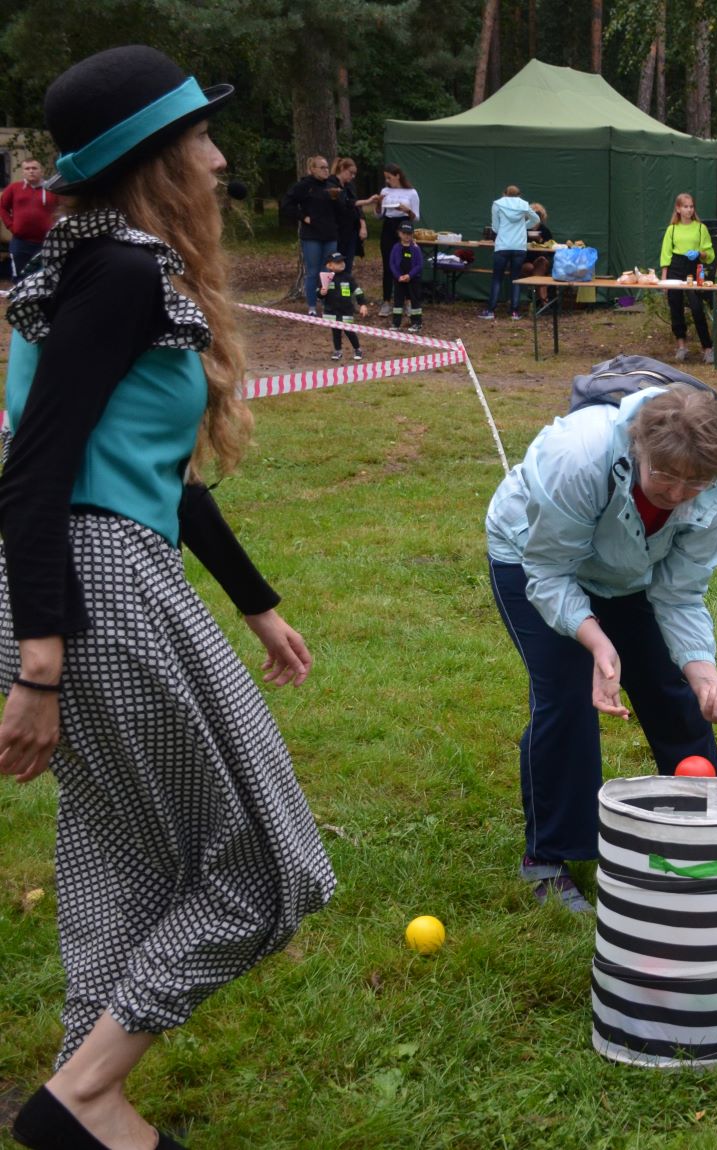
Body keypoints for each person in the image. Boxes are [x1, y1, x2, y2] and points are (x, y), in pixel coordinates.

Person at [0, 45, 333, 1150]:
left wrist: (255, 600)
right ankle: (85, 1096)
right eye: (201, 137)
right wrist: (39, 668)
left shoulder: (81, 260)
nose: (220, 155)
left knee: (118, 853)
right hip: (96, 584)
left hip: (86, 568)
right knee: (267, 864)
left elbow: (155, 471)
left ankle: (76, 1108)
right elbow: (39, 469)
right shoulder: (125, 271)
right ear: (156, 158)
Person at [485, 383, 717, 915]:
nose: (677, 494)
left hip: (629, 570)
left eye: (693, 484)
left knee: (672, 692)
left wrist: (705, 677)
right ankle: (551, 857)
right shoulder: (578, 458)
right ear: (637, 448)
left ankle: (714, 838)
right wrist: (596, 639)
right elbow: (549, 571)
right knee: (567, 695)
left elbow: (679, 590)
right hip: (533, 559)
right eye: (665, 478)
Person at [658, 192, 715, 364]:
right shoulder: (672, 229)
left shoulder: (700, 228)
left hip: (693, 268)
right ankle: (681, 346)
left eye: (691, 206)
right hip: (675, 268)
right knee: (675, 307)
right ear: (678, 209)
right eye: (685, 206)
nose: (689, 210)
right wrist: (664, 279)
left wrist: (699, 253)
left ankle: (708, 348)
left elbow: (710, 254)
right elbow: (665, 255)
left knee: (697, 308)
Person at [356, 162, 418, 305]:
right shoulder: (385, 191)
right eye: (386, 178)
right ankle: (386, 301)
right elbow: (379, 215)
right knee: (388, 263)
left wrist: (407, 211)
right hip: (388, 226)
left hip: (404, 225)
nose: (387, 181)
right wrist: (378, 204)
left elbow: (416, 216)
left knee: (405, 263)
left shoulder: (411, 193)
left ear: (398, 176)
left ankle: (407, 301)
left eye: (389, 177)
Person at [284, 154, 338, 314]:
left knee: (328, 270)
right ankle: (312, 307)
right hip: (312, 235)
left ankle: (326, 302)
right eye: (322, 167)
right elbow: (287, 204)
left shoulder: (331, 185)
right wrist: (303, 217)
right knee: (313, 271)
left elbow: (342, 208)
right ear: (312, 169)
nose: (326, 170)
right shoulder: (304, 185)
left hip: (330, 234)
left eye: (327, 167)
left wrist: (338, 198)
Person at [482, 183, 538, 321]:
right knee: (516, 279)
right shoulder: (524, 204)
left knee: (497, 278)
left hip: (502, 245)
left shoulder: (497, 204)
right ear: (519, 194)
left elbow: (495, 227)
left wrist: (503, 229)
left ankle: (490, 311)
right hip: (519, 246)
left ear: (505, 193)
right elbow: (536, 219)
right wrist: (523, 226)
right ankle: (515, 312)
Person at [1, 158, 59, 280]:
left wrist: (56, 227)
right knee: (20, 275)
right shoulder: (14, 188)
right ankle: (20, 298)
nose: (31, 171)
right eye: (27, 168)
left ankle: (42, 299)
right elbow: (3, 207)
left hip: (46, 241)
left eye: (34, 168)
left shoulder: (52, 190)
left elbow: (63, 209)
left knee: (45, 275)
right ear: (23, 172)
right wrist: (11, 226)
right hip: (21, 242)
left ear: (41, 171)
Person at [317, 247, 367, 358]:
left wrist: (362, 304)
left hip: (346, 310)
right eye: (337, 262)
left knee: (349, 331)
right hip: (331, 310)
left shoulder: (348, 277)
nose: (341, 264)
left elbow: (357, 291)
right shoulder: (325, 278)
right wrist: (322, 292)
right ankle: (338, 351)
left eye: (342, 261)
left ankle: (357, 349)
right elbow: (319, 294)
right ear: (329, 266)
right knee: (336, 331)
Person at [387, 219, 424, 332]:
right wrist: (398, 276)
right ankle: (396, 323)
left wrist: (410, 275)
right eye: (404, 233)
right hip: (399, 279)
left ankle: (417, 323)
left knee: (414, 300)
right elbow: (392, 263)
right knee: (398, 301)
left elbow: (419, 264)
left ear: (412, 234)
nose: (406, 236)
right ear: (399, 233)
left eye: (409, 234)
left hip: (413, 280)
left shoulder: (416, 248)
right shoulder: (395, 247)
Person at [331, 156, 364, 274]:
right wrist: (367, 201)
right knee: (335, 264)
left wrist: (362, 225)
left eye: (354, 174)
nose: (353, 176)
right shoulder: (331, 183)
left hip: (351, 231)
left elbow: (357, 207)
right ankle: (333, 291)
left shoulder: (350, 186)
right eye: (351, 173)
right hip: (338, 231)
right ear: (342, 169)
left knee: (347, 265)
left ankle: (346, 291)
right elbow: (344, 204)